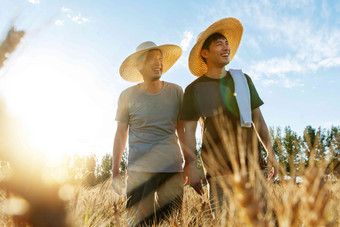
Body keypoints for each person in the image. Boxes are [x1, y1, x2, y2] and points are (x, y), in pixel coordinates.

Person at [180, 18, 277, 212]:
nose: (226, 47)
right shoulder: (193, 90)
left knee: (262, 220)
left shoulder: (243, 80)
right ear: (204, 53)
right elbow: (188, 131)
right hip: (218, 172)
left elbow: (257, 118)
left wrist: (270, 150)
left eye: (227, 43)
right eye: (219, 43)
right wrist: (191, 164)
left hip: (252, 167)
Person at [111, 41, 187, 226]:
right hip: (139, 173)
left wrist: (190, 162)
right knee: (138, 223)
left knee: (171, 222)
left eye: (160, 59)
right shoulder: (127, 96)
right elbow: (121, 134)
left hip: (172, 170)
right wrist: (114, 171)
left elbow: (182, 130)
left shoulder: (176, 92)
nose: (158, 63)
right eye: (152, 59)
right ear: (139, 65)